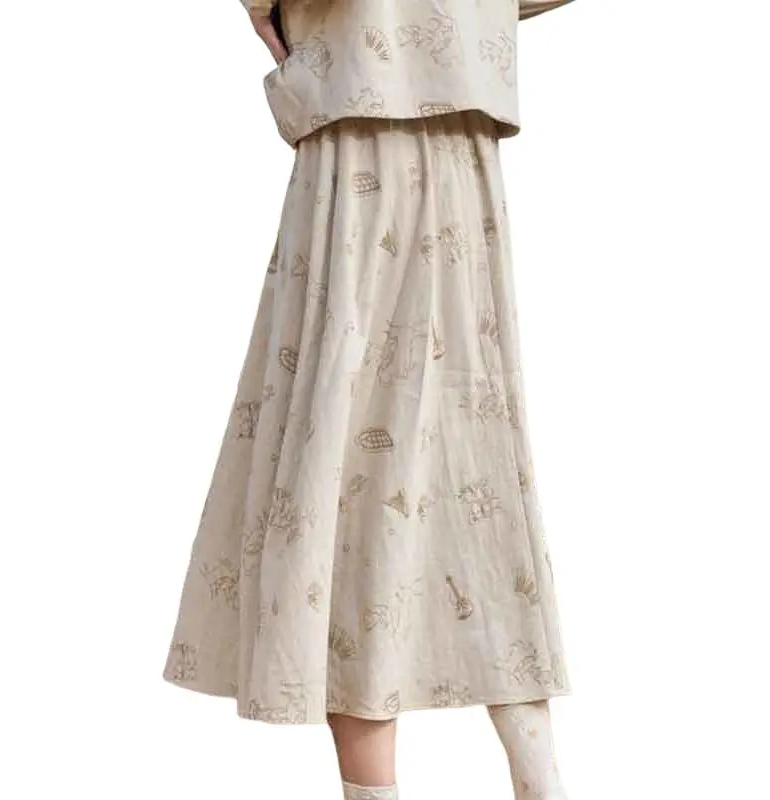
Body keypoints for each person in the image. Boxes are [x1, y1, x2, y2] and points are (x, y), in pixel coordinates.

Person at [163, 2, 577, 798]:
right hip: (444, 101)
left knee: (344, 457)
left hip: (362, 98)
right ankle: (541, 783)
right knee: (467, 452)